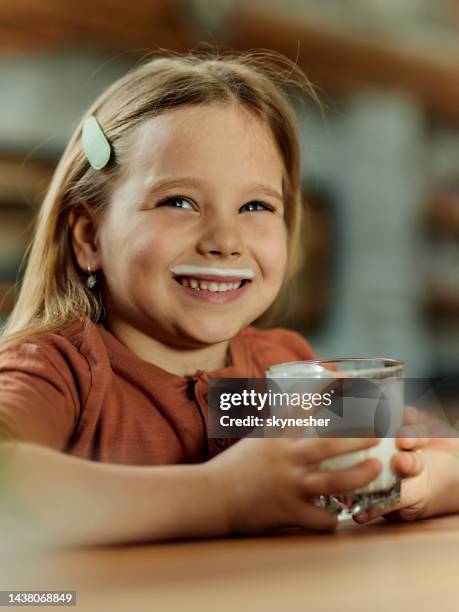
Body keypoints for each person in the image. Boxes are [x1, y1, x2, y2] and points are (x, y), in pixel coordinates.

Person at [0, 50, 454, 547]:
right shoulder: (57, 370)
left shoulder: (285, 370)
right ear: (89, 236)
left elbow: (439, 450)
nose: (225, 238)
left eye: (255, 205)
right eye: (179, 202)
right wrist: (228, 493)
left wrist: (415, 482)